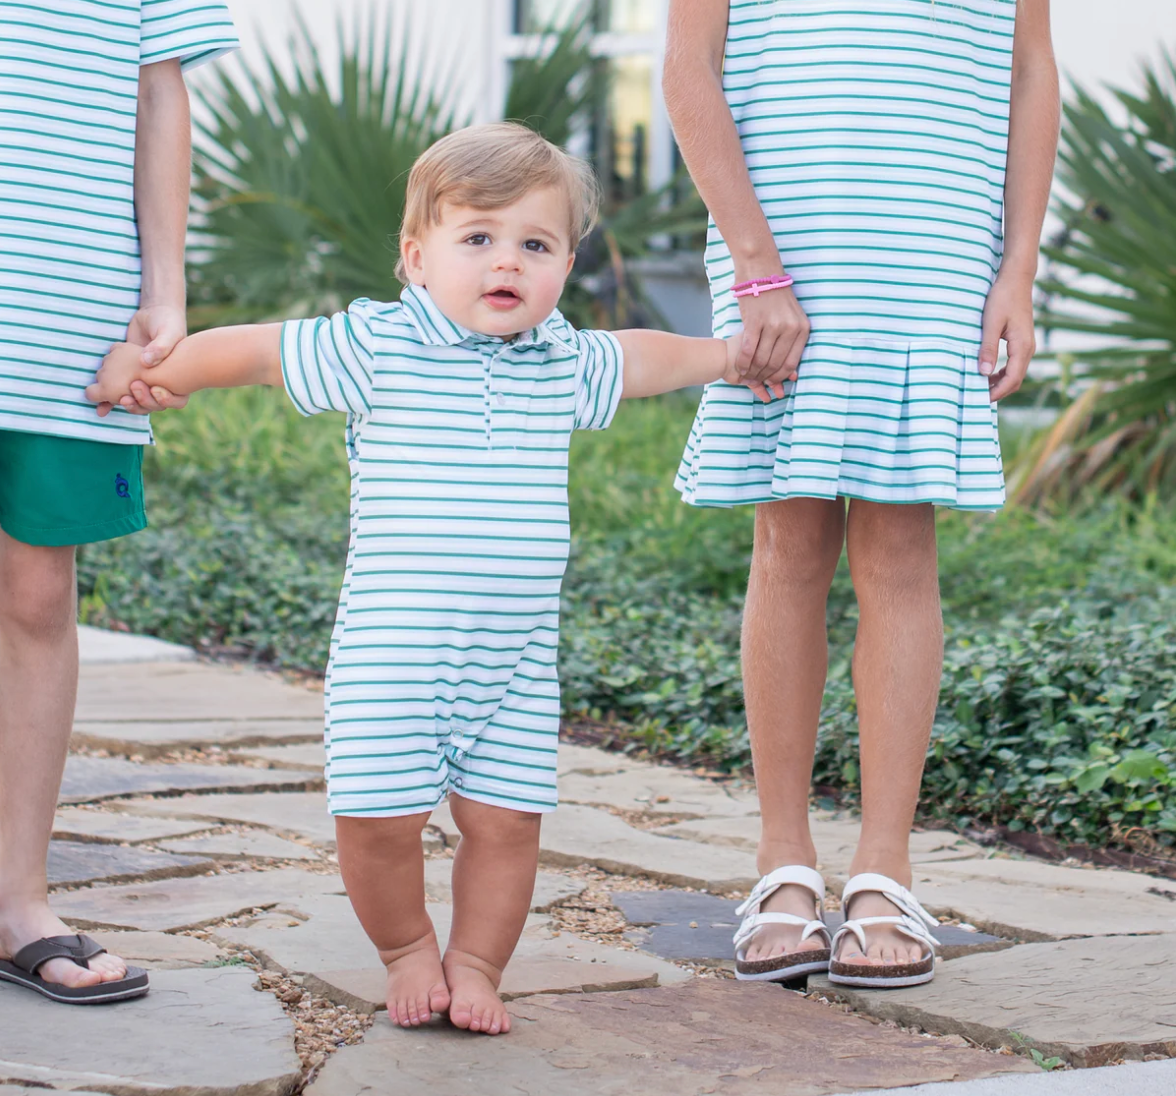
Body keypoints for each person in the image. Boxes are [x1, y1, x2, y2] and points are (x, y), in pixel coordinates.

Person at [85, 122, 772, 1033]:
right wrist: (161, 371)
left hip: (515, 659)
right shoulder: (378, 345)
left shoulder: (563, 360)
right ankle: (408, 949)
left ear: (567, 265)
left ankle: (478, 963)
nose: (507, 263)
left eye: (536, 245)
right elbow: (257, 352)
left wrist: (728, 358)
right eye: (478, 238)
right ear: (417, 256)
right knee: (376, 821)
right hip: (393, 656)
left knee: (508, 824)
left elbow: (648, 358)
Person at [663, 0, 1058, 987]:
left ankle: (885, 869)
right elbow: (686, 69)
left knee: (899, 554)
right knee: (788, 546)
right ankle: (782, 866)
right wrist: (756, 267)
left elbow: (1028, 75)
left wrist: (1020, 267)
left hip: (934, 258)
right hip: (782, 246)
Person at [0, 1, 238, 1004]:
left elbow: (158, 91)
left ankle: (16, 899)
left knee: (37, 593)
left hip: (63, 313)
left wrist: (166, 292)